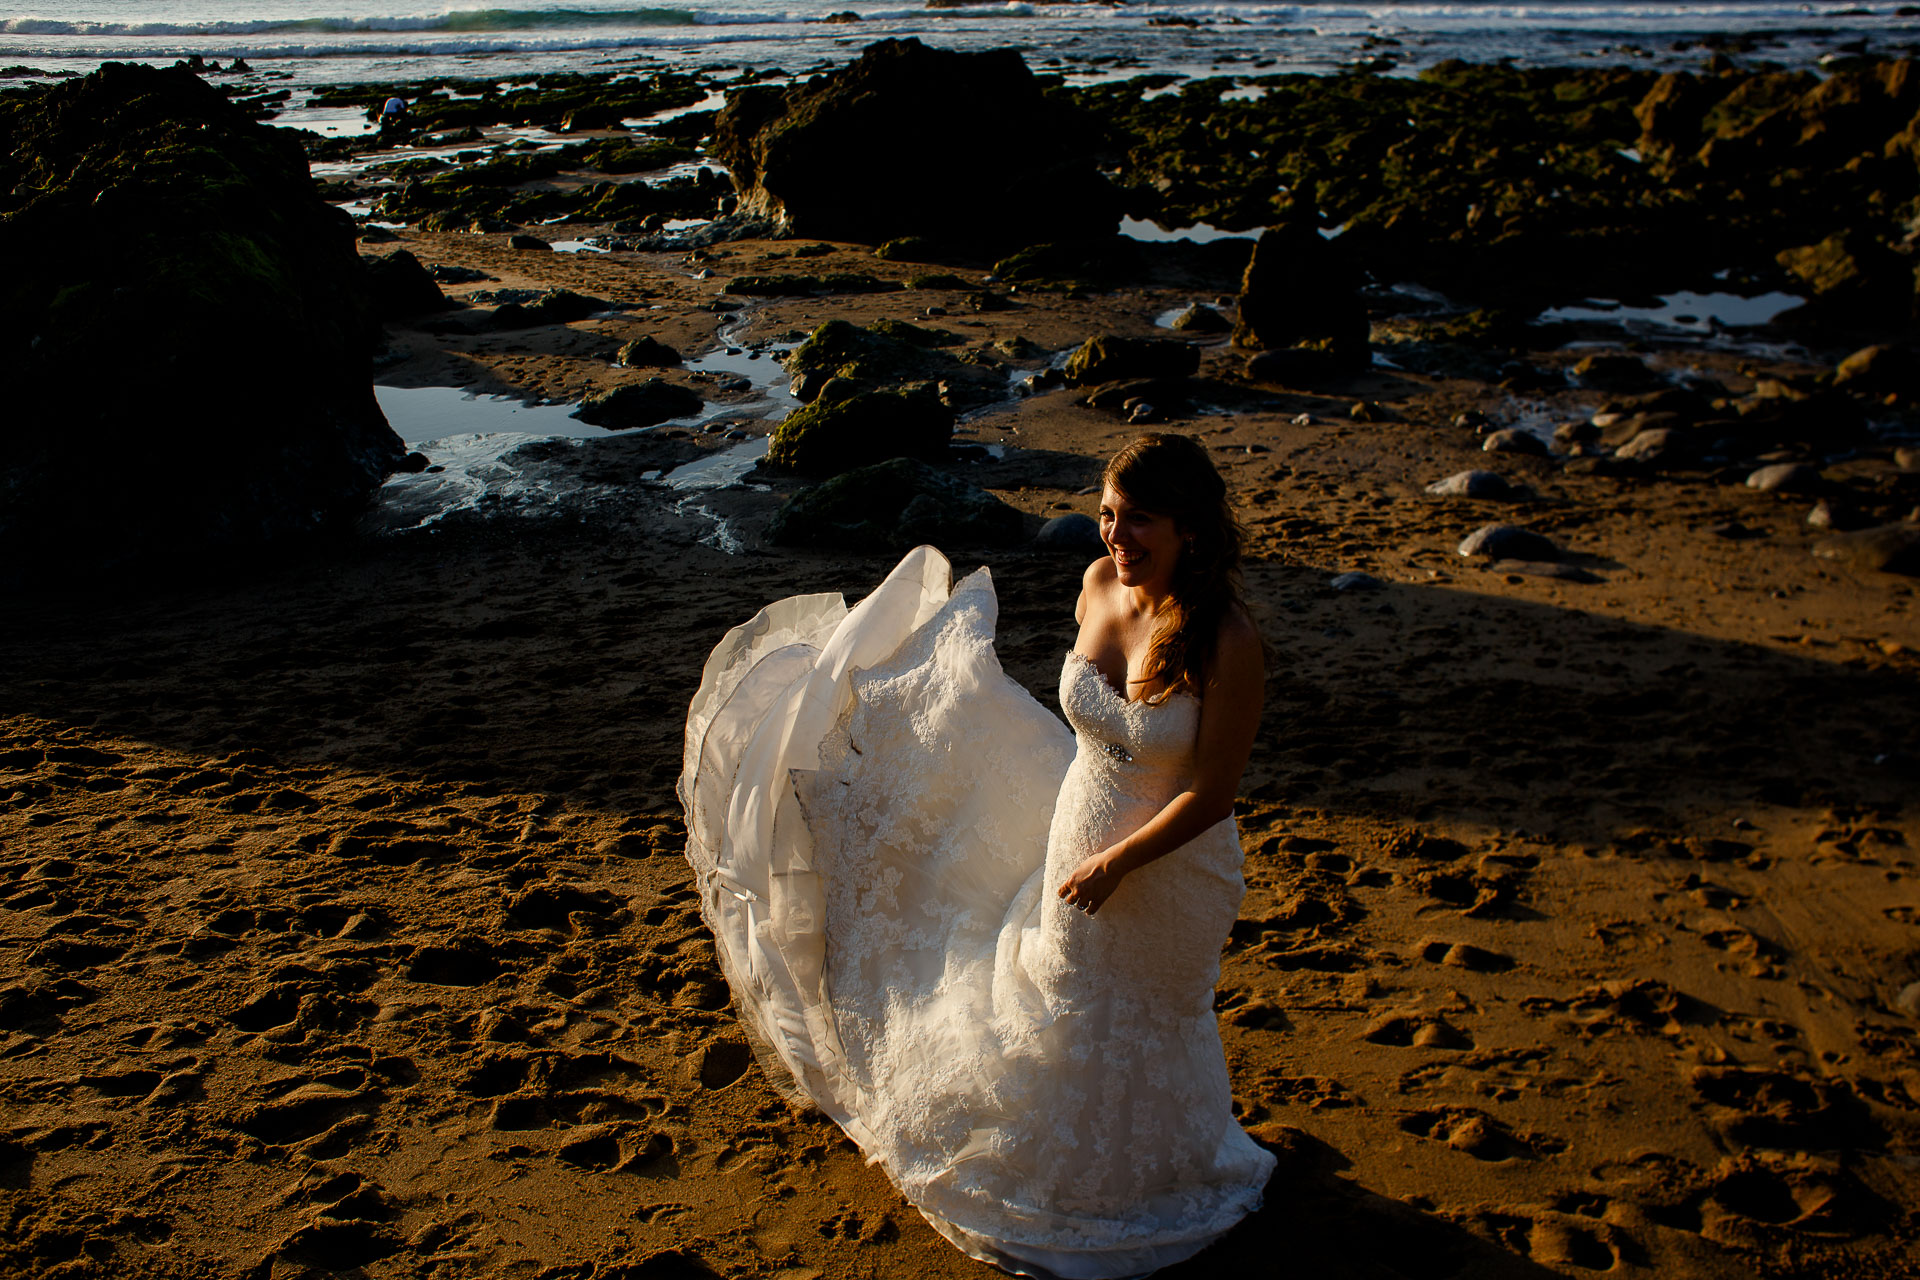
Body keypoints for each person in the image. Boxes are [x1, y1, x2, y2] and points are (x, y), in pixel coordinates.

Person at [679, 433, 1276, 1278]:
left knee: (1141, 1020)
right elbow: (1092, 725)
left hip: (1170, 870)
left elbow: (1211, 795)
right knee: (1068, 1004)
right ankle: (1074, 1176)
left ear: (1190, 527)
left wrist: (1118, 863)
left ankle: (1155, 1179)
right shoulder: (1100, 583)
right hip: (1081, 833)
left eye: (1139, 520)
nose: (1116, 536)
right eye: (1107, 514)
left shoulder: (1225, 637)